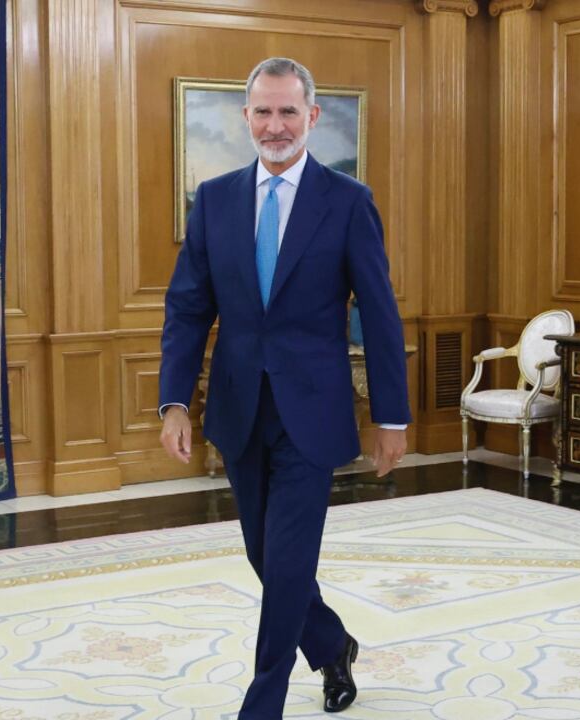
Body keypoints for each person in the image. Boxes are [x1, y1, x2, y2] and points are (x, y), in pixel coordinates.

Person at [158, 57, 409, 719]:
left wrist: (392, 416)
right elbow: (188, 308)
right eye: (264, 112)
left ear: (312, 116)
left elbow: (380, 312)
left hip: (313, 410)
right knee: (265, 555)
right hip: (239, 407)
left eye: (288, 112)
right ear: (246, 117)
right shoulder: (215, 200)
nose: (276, 125)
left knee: (290, 558)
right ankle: (331, 644)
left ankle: (262, 702)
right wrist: (175, 401)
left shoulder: (348, 201)